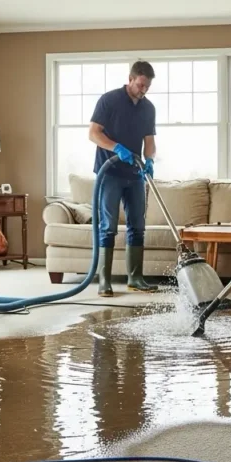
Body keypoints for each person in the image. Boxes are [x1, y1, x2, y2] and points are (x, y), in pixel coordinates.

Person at [88, 60, 157, 296]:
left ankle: (135, 278)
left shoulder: (148, 108)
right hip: (109, 173)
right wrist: (117, 147)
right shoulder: (109, 100)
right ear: (131, 79)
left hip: (135, 174)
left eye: (147, 86)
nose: (143, 90)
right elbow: (93, 133)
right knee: (108, 227)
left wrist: (150, 160)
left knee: (137, 226)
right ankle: (104, 281)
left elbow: (149, 142)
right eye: (140, 85)